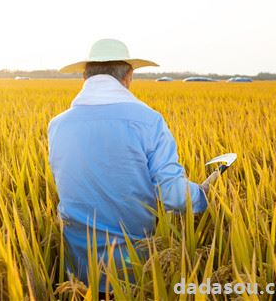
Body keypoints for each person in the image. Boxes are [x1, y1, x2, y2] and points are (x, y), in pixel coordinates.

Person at [47, 39, 209, 294]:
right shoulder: (149, 121)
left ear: (84, 75)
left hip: (76, 277)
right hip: (134, 273)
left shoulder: (57, 125)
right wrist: (202, 195)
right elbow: (174, 197)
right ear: (128, 76)